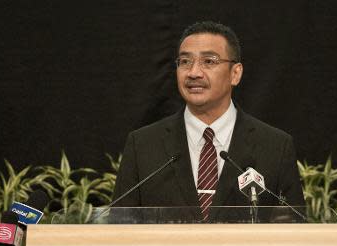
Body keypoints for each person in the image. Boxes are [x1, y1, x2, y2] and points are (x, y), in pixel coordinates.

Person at [112, 21, 304, 220]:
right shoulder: (142, 145)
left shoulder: (275, 146)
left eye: (209, 61)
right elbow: (119, 228)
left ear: (235, 74)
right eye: (185, 62)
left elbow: (294, 233)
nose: (194, 72)